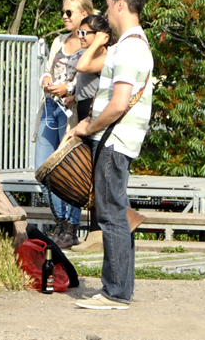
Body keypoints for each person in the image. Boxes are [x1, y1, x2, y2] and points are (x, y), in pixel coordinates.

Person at [69, 0, 154, 310]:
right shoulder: (133, 45)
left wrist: (87, 126)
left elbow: (117, 104)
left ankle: (114, 292)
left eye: (107, 6)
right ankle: (121, 289)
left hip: (113, 139)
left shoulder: (130, 48)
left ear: (120, 4)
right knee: (117, 214)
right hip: (119, 139)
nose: (105, 13)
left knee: (111, 216)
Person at [34, 0, 97, 250]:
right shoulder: (59, 40)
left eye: (69, 12)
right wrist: (47, 81)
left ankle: (68, 227)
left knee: (66, 167)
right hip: (50, 107)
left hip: (71, 111)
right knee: (44, 167)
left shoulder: (90, 42)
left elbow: (88, 76)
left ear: (84, 14)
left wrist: (69, 89)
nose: (64, 16)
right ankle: (60, 223)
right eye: (63, 12)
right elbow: (48, 69)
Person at [64, 15, 116, 252]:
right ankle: (95, 232)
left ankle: (99, 233)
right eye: (79, 33)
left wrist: (98, 43)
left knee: (97, 175)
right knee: (89, 173)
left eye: (85, 33)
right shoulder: (94, 54)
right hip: (84, 110)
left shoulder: (106, 56)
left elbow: (82, 66)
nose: (80, 37)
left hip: (95, 118)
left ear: (101, 36)